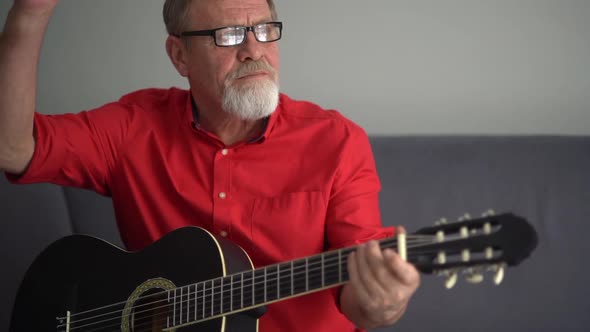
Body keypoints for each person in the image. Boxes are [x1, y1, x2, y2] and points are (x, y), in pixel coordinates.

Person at [0, 0, 420, 331]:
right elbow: (13, 148)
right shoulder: (134, 127)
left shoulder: (338, 141)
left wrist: (384, 299)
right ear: (179, 55)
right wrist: (30, 14)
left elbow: (363, 301)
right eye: (230, 34)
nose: (253, 50)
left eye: (264, 30)